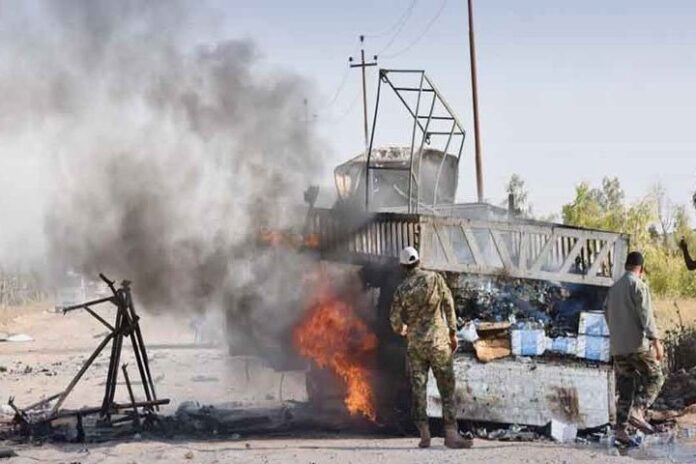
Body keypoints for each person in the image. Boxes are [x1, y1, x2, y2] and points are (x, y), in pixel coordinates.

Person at [389, 246, 472, 449]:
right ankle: (451, 434)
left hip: (416, 346)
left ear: (403, 266)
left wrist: (402, 329)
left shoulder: (402, 289)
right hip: (438, 343)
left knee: (418, 389)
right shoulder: (435, 278)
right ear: (419, 261)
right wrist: (452, 332)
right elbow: (448, 304)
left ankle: (424, 434)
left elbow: (394, 319)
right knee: (446, 388)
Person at [604, 251, 665, 444]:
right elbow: (646, 316)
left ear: (626, 266)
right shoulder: (638, 285)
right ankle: (638, 410)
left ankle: (620, 430)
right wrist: (656, 341)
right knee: (656, 377)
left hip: (618, 348)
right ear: (641, 269)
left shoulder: (613, 289)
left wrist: (617, 335)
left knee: (625, 388)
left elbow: (606, 313)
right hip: (637, 346)